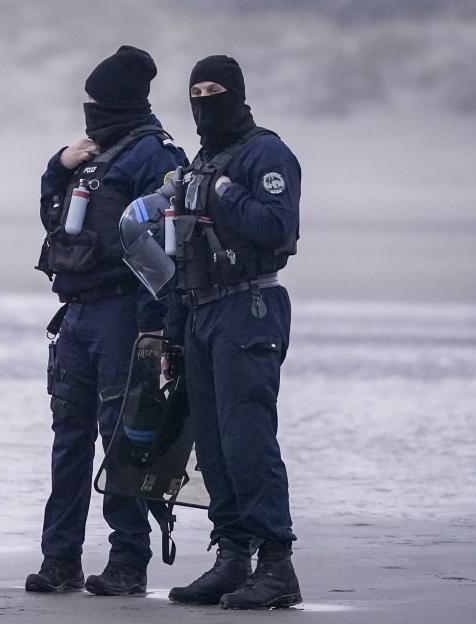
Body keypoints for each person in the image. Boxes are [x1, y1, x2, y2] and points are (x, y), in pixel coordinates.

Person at [28, 45, 188, 596]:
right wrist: (58, 166)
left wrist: (154, 332)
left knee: (124, 439)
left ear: (118, 103)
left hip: (126, 314)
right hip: (75, 313)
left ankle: (128, 560)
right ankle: (60, 559)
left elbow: (167, 249)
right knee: (68, 437)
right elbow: (56, 220)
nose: (89, 113)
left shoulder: (155, 157)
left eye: (96, 103)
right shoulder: (92, 152)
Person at [158, 55, 302, 609]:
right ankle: (232, 557)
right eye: (195, 90)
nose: (204, 99)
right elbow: (181, 249)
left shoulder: (266, 153)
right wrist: (173, 331)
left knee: (247, 441)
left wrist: (221, 191)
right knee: (213, 446)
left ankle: (277, 565)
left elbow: (277, 226)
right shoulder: (204, 158)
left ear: (237, 93)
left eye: (214, 89)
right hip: (199, 309)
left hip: (250, 305)